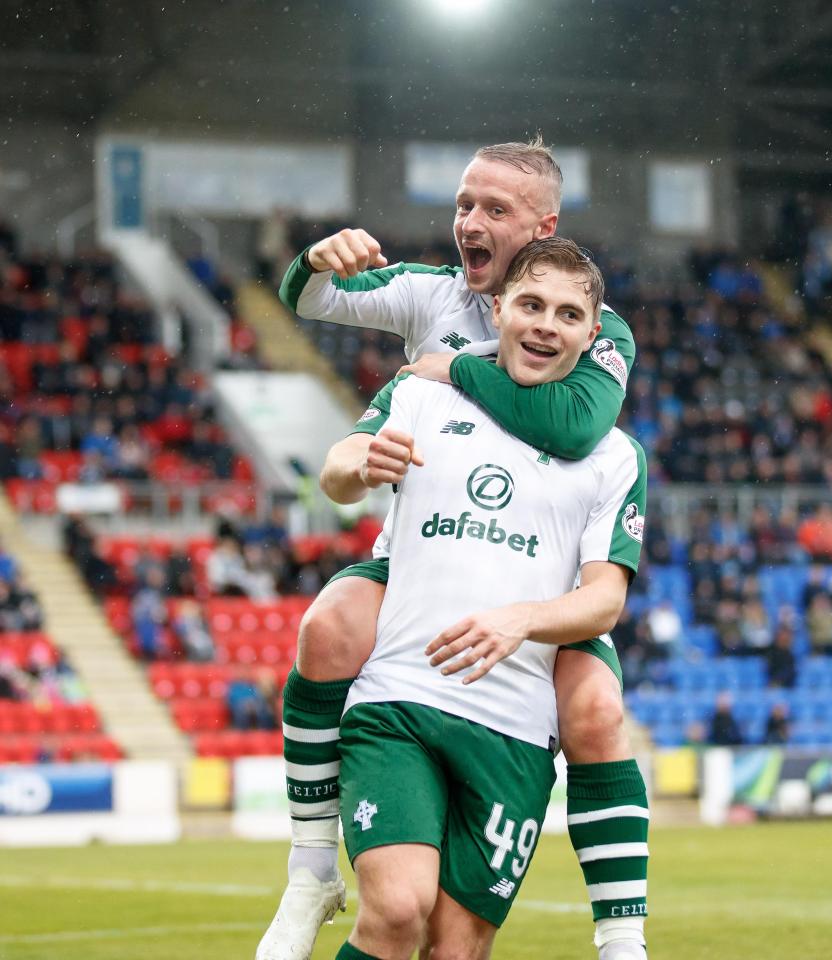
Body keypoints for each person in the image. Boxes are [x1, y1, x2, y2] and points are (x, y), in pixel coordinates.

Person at [258, 142, 647, 960]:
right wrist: (315, 259)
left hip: (531, 579)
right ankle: (307, 870)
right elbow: (310, 297)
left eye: (495, 211)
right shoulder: (429, 291)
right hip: (425, 556)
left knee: (598, 711)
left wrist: (454, 369)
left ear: (542, 228)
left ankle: (622, 939)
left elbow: (575, 424)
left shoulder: (596, 324)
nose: (471, 221)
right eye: (465, 204)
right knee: (328, 627)